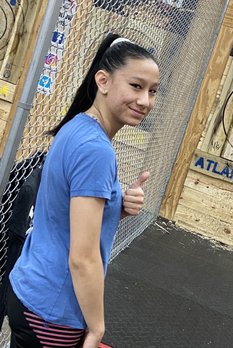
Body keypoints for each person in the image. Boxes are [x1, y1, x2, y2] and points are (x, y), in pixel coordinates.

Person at [6, 33, 160, 348]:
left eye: (153, 91)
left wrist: (118, 207)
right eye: (135, 86)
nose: (145, 101)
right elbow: (83, 258)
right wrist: (97, 328)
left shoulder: (77, 126)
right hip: (54, 311)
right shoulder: (96, 150)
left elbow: (66, 216)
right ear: (102, 80)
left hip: (31, 289)